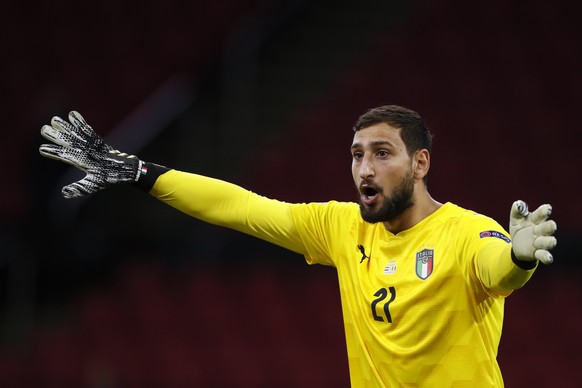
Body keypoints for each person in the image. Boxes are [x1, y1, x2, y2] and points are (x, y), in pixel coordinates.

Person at [39, 105, 557, 387]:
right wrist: (140, 172)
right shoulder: (340, 226)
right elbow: (240, 207)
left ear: (420, 164)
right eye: (357, 155)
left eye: (382, 153)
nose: (365, 170)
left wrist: (518, 257)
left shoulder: (466, 230)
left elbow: (496, 269)